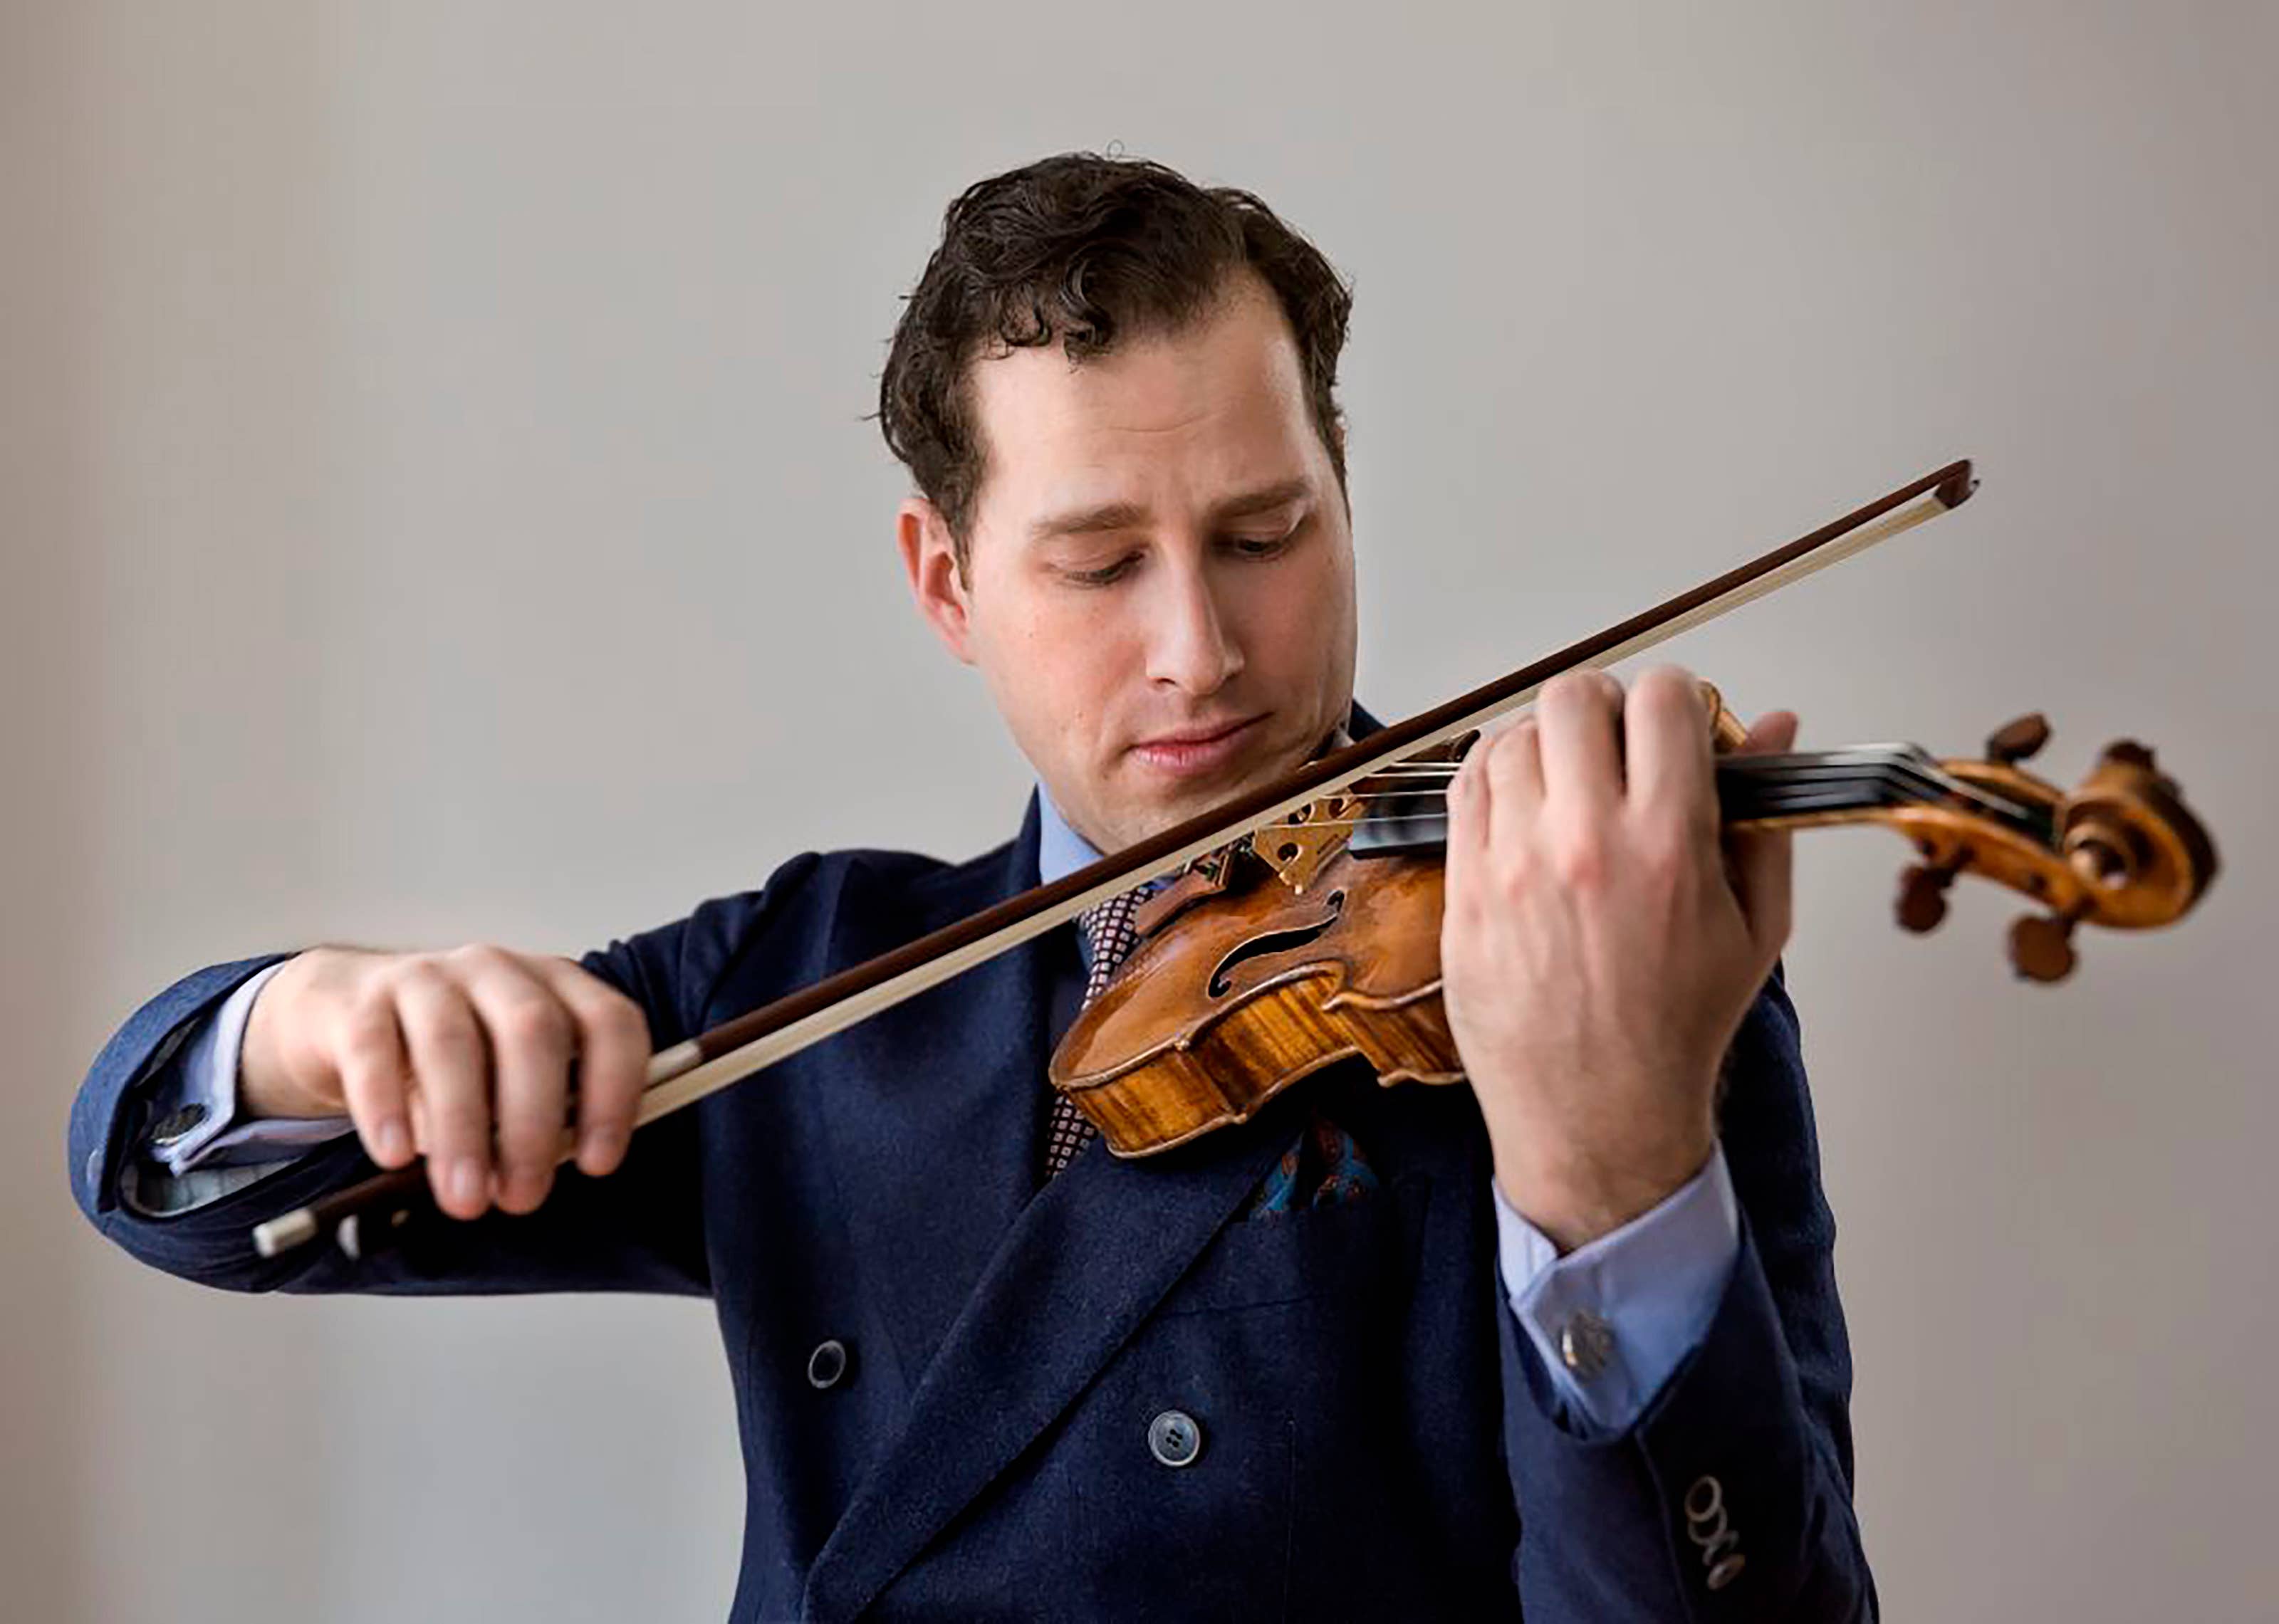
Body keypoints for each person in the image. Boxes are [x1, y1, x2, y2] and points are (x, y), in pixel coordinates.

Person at [68, 152, 1871, 1620]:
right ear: (947, 585)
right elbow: (177, 1192)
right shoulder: (815, 977)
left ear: (1343, 495)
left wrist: (1605, 1165)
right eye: (1097, 563)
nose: (1201, 649)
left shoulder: (1581, 953)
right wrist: (311, 1023)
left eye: (1265, 535)